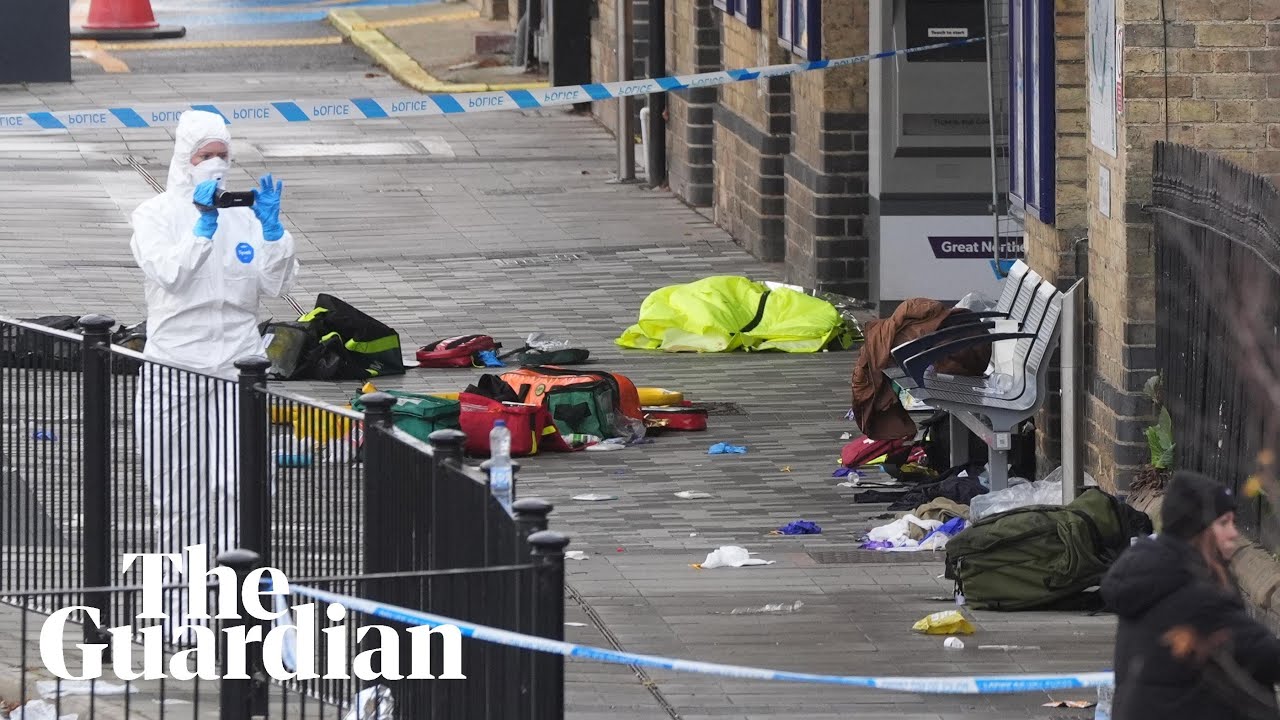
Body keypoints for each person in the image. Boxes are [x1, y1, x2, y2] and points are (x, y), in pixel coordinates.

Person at [130, 110, 300, 642]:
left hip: (237, 366)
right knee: (178, 493)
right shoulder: (155, 214)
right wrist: (202, 228)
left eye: (224, 155)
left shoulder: (244, 217)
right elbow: (171, 274)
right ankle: (182, 609)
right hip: (174, 367)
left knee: (237, 485)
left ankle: (235, 602)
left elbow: (275, 283)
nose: (217, 165)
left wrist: (273, 231)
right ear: (184, 158)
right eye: (205, 155)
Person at [1101, 470, 1280, 720]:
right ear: (1199, 531)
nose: (1233, 533)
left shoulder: (1156, 572)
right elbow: (1264, 654)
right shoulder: (1193, 590)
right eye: (1223, 523)